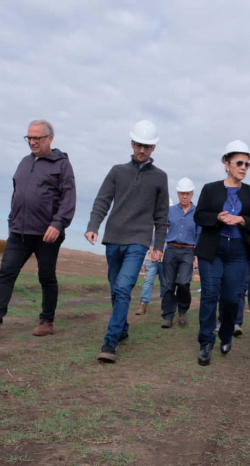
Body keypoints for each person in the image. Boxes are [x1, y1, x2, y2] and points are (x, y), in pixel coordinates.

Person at [0, 120, 76, 341]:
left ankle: (46, 321)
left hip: (47, 233)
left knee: (46, 276)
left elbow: (68, 197)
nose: (33, 142)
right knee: (6, 273)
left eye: (37, 138)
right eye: (29, 138)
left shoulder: (62, 164)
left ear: (50, 139)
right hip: (19, 232)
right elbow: (17, 194)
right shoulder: (24, 162)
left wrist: (58, 223)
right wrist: (11, 220)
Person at [85, 120, 169, 363]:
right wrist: (93, 227)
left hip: (138, 241)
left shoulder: (160, 178)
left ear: (153, 148)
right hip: (113, 239)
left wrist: (159, 246)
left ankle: (110, 343)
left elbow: (161, 217)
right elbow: (102, 200)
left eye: (147, 146)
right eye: (138, 145)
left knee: (123, 288)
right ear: (132, 143)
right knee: (115, 288)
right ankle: (122, 329)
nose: (141, 150)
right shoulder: (117, 171)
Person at [194, 140, 250, 366]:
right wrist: (217, 217)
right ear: (226, 164)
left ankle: (225, 334)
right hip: (212, 249)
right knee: (210, 295)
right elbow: (199, 216)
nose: (243, 167)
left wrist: (242, 219)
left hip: (238, 252)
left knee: (232, 298)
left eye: (247, 164)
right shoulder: (210, 189)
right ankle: (205, 342)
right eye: (239, 163)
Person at [161, 178, 201, 328]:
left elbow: (199, 235)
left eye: (187, 193)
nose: (185, 196)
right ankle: (168, 316)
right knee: (169, 284)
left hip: (188, 251)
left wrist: (197, 255)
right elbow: (161, 229)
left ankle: (183, 311)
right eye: (182, 193)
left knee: (184, 282)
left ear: (192, 194)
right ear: (178, 194)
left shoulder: (197, 213)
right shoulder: (170, 211)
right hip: (171, 249)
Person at [215, 224, 250, 337]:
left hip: (246, 261)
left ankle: (236, 323)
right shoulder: (232, 216)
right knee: (225, 290)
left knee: (240, 292)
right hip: (229, 259)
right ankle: (222, 321)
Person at [136, 240, 166, 315]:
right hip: (151, 258)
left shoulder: (171, 228)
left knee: (165, 283)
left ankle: (165, 305)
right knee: (148, 281)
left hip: (166, 258)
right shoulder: (153, 228)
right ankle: (143, 304)